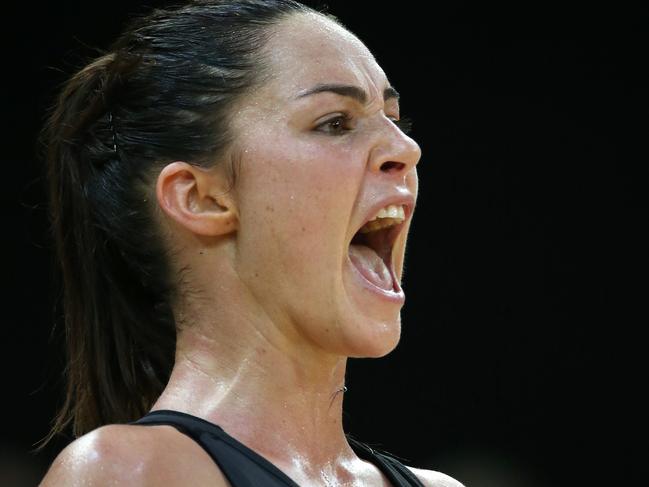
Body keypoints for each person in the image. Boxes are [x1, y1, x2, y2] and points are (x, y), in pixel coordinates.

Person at [39, 1, 464, 485]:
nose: (407, 149)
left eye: (393, 118)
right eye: (336, 123)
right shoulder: (133, 473)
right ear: (201, 198)